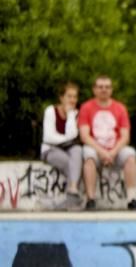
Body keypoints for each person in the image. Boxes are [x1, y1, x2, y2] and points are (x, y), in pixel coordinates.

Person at [78, 75, 136, 211]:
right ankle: (90, 200)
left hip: (115, 150)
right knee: (88, 154)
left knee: (130, 154)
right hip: (95, 149)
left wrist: (112, 153)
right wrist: (103, 153)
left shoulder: (120, 108)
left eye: (107, 87)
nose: (104, 90)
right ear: (94, 89)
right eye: (100, 87)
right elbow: (85, 136)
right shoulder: (86, 107)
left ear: (111, 90)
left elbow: (125, 137)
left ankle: (132, 199)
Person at [40, 82, 83, 210]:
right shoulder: (50, 110)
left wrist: (70, 115)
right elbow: (49, 137)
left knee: (77, 150)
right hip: (50, 149)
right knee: (70, 162)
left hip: (69, 148)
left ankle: (72, 192)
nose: (72, 100)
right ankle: (74, 197)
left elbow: (73, 135)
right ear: (61, 97)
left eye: (75, 97)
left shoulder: (75, 114)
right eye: (69, 96)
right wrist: (66, 140)